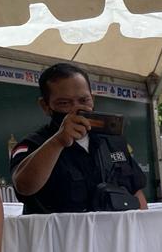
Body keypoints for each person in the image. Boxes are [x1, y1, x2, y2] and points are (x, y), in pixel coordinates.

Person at [11, 63, 148, 214]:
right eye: (64, 103)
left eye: (84, 101)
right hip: (59, 236)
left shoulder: (113, 140)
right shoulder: (33, 145)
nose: (76, 109)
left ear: (92, 99)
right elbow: (24, 186)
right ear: (45, 106)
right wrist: (58, 141)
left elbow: (136, 193)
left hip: (114, 234)